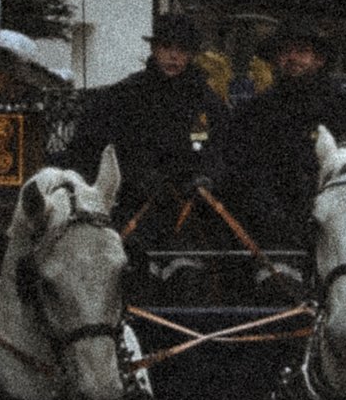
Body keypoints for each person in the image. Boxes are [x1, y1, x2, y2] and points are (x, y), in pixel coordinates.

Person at [59, 14, 226, 241]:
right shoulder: (122, 96)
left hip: (194, 205)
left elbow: (222, 148)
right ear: (155, 49)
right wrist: (135, 177)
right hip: (134, 204)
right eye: (167, 47)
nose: (174, 56)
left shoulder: (207, 101)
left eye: (182, 49)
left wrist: (207, 177)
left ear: (191, 55)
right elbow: (92, 150)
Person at [213, 20, 346, 263]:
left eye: (302, 51)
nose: (292, 58)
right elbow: (240, 172)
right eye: (285, 52)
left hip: (338, 226)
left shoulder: (343, 107)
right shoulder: (252, 113)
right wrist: (272, 215)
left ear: (318, 60)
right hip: (272, 231)